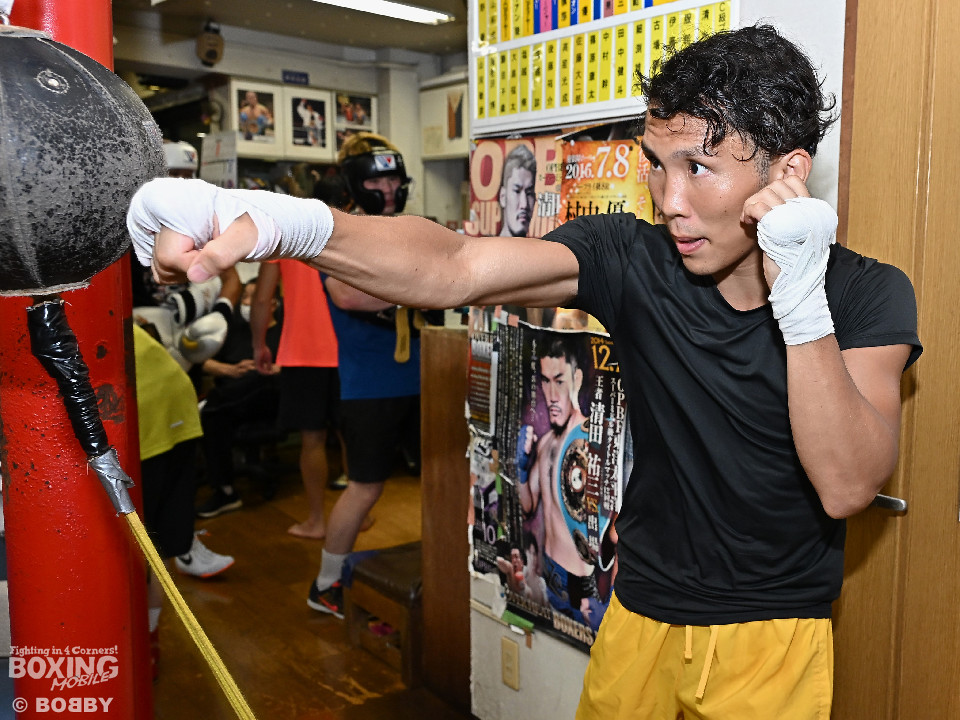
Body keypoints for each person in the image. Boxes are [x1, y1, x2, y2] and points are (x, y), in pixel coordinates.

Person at [128, 24, 922, 719]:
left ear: (787, 171)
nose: (669, 199)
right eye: (656, 164)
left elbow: (848, 485)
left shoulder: (865, 294)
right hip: (640, 608)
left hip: (771, 632)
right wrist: (279, 221)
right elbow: (456, 265)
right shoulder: (633, 257)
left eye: (699, 168)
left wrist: (800, 297)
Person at [133, 322, 233, 677]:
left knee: (135, 552)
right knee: (154, 549)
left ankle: (142, 649)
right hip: (172, 397)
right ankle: (149, 644)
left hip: (146, 410)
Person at [517, 337, 599, 627]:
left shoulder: (591, 441)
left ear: (577, 380)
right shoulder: (545, 443)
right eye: (545, 381)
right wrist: (521, 470)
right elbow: (528, 506)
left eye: (559, 381)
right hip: (550, 574)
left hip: (581, 584)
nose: (551, 395)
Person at [196, 268, 283, 517]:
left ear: (272, 304)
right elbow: (201, 360)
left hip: (267, 397)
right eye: (244, 297)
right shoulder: (233, 329)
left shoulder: (284, 333)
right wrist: (229, 369)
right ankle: (222, 489)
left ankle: (225, 492)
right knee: (215, 415)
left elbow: (296, 367)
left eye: (253, 298)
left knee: (217, 410)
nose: (246, 303)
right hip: (231, 396)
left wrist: (272, 367)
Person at [499, 143, 536, 237]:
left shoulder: (541, 245)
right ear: (503, 197)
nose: (524, 205)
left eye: (529, 193)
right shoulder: (488, 246)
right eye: (517, 191)